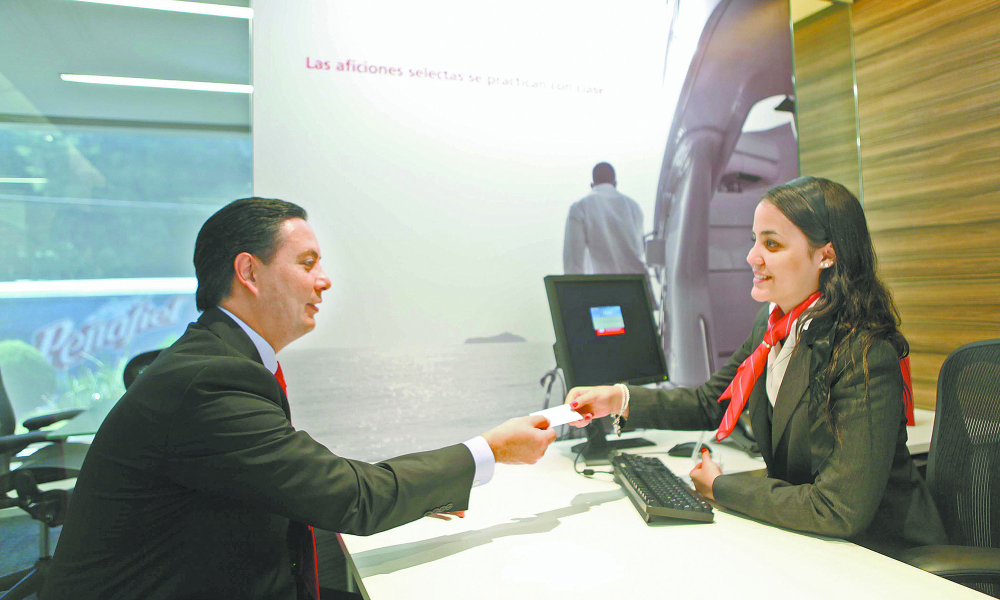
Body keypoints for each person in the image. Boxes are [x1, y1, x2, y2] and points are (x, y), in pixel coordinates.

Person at [41, 198, 556, 600]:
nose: (324, 280)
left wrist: (418, 492)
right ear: (248, 272)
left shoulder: (226, 358)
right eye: (307, 263)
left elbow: (299, 485)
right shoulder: (209, 381)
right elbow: (349, 497)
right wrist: (491, 449)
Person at [564, 177, 947, 556]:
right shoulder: (771, 327)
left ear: (826, 256)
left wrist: (722, 487)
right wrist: (618, 398)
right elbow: (710, 402)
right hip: (817, 545)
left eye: (772, 243)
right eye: (755, 241)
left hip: (887, 557)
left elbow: (838, 509)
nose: (752, 257)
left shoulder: (864, 351)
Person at [563, 162, 645, 275]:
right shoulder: (633, 206)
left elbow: (574, 260)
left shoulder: (580, 207)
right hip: (636, 284)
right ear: (615, 183)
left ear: (592, 185)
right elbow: (639, 250)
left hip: (601, 286)